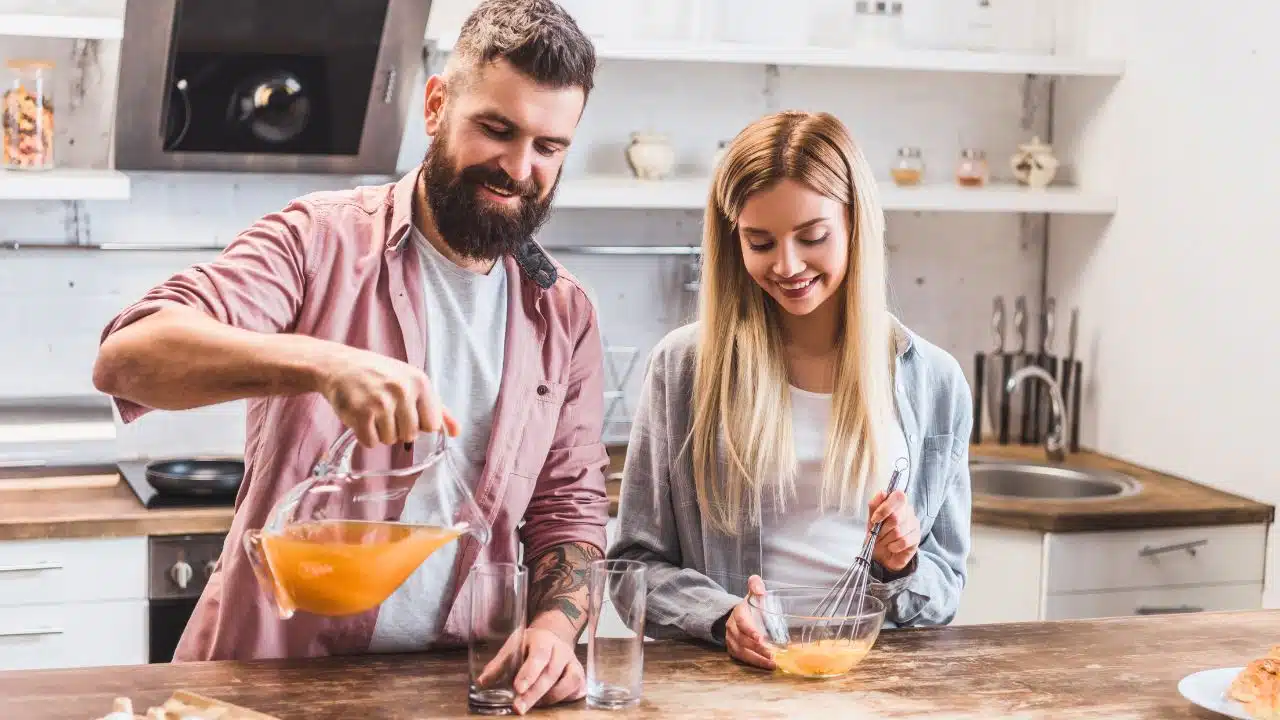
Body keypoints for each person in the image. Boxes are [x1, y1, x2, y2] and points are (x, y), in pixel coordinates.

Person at [93, 0, 607, 711]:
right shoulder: (317, 241)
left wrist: (555, 627)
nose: (519, 167)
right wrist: (323, 364)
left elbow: (569, 507)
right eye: (496, 129)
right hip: (268, 684)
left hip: (453, 688)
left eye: (549, 147)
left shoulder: (563, 312)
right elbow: (129, 356)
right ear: (435, 106)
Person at [607, 110, 972, 669]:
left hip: (876, 682)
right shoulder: (681, 369)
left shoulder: (935, 381)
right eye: (760, 242)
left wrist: (900, 566)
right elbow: (635, 565)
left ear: (856, 225)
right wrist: (723, 617)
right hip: (729, 683)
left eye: (813, 237)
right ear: (733, 243)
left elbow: (943, 589)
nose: (787, 264)